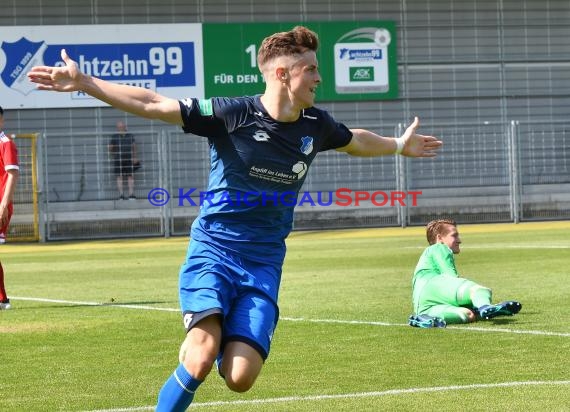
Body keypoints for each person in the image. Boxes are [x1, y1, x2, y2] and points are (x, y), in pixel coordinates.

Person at [28, 26, 442, 410]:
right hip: (215, 249)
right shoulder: (232, 114)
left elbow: (355, 141)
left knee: (240, 378)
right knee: (202, 356)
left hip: (263, 263)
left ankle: (219, 336)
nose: (319, 78)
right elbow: (154, 103)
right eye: (312, 69)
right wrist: (86, 84)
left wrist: (398, 145)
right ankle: (201, 342)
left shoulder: (317, 125)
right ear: (283, 74)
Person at [408, 218, 522, 328]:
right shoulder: (439, 248)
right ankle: (485, 306)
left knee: (468, 314)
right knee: (478, 291)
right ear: (440, 238)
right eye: (454, 235)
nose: (459, 240)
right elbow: (451, 277)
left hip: (423, 306)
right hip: (431, 284)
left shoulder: (428, 255)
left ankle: (423, 319)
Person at [0, 106, 20, 310]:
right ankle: (2, 299)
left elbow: (13, 175)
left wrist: (4, 205)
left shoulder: (6, 144)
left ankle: (3, 300)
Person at [108, 120, 138, 200]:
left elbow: (134, 147)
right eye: (119, 127)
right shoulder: (114, 136)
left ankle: (131, 194)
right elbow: (110, 148)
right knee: (119, 177)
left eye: (122, 127)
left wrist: (135, 157)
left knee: (130, 176)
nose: (121, 128)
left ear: (125, 127)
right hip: (118, 159)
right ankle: (121, 195)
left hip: (129, 158)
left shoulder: (130, 136)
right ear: (117, 128)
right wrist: (111, 149)